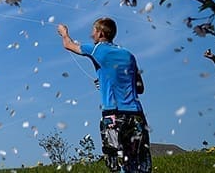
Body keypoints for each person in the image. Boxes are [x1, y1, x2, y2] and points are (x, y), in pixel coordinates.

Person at [58, 18, 151, 173]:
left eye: (93, 31)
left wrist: (64, 32)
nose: (91, 34)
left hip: (113, 115)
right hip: (136, 114)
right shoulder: (129, 55)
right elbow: (140, 88)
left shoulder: (97, 49)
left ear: (100, 33)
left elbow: (68, 45)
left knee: (116, 164)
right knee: (140, 163)